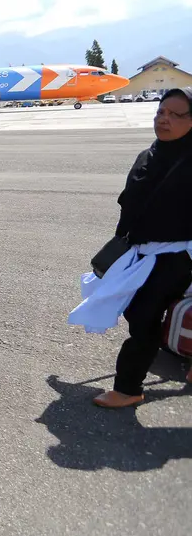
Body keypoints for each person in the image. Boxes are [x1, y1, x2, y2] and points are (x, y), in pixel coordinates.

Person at [90, 87, 192, 408]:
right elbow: (129, 204)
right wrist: (119, 246)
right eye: (161, 112)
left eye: (176, 114)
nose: (164, 119)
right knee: (141, 311)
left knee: (145, 316)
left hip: (178, 256)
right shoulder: (148, 155)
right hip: (140, 252)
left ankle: (128, 388)